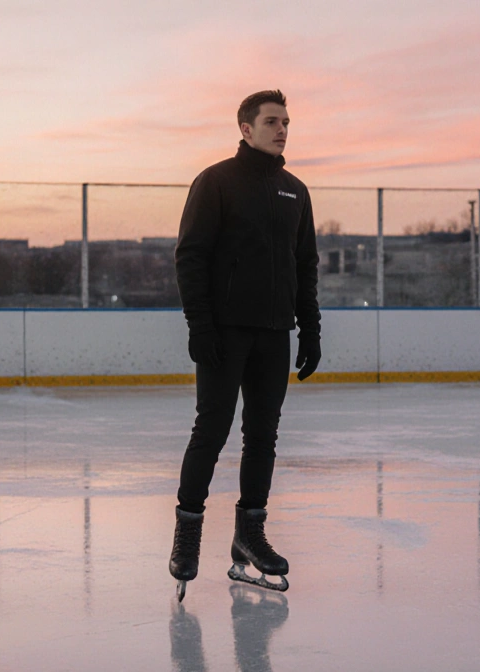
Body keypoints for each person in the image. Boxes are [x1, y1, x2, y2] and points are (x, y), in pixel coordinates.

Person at [168, 89, 321, 600]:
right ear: (246, 129)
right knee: (210, 430)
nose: (282, 129)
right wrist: (201, 326)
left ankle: (248, 536)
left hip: (275, 333)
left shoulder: (295, 191)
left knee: (262, 436)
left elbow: (306, 268)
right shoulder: (215, 182)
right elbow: (190, 256)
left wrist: (311, 328)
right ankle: (187, 535)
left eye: (286, 122)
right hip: (225, 333)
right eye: (272, 121)